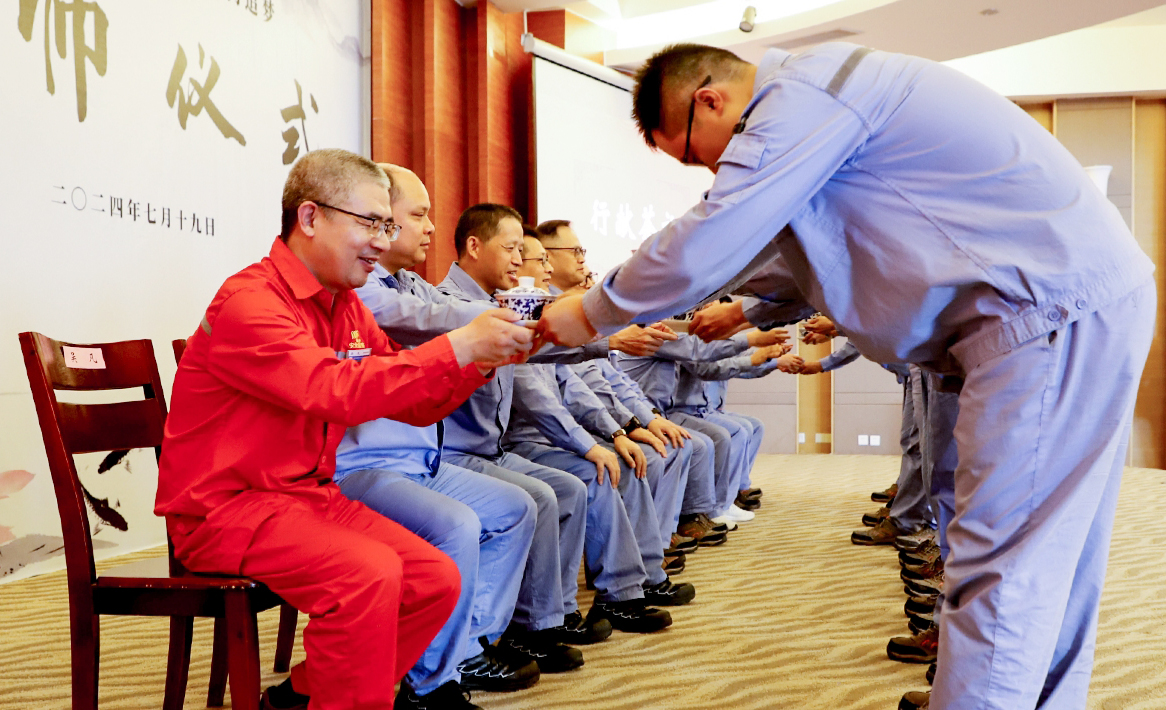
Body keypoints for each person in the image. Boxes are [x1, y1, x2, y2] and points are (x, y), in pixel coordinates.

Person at [535, 42, 1156, 710]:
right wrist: (746, 308)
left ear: (708, 100)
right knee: (1042, 556)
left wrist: (588, 312)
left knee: (1002, 563)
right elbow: (823, 242)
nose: (712, 173)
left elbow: (721, 228)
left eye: (696, 156)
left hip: (1042, 315)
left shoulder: (801, 97)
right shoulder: (828, 93)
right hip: (1056, 308)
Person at [155, 149, 536, 710]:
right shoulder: (250, 301)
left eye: (388, 226)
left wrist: (480, 361)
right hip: (226, 509)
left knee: (434, 579)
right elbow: (335, 390)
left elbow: (412, 403)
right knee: (370, 575)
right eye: (371, 223)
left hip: (307, 496)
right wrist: (457, 345)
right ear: (310, 218)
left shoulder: (345, 305)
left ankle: (305, 693)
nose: (383, 241)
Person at [333, 164, 540, 709]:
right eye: (417, 215)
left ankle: (465, 647)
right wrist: (498, 320)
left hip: (420, 458)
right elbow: (430, 317)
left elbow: (435, 325)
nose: (429, 227)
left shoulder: (408, 284)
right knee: (458, 525)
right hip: (362, 465)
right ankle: (431, 679)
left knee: (516, 508)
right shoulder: (361, 291)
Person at [440, 204, 677, 634]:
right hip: (491, 447)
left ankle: (612, 593)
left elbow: (569, 380)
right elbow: (534, 395)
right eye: (515, 250)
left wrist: (619, 427)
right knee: (582, 479)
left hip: (503, 447)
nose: (523, 262)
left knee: (603, 470)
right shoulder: (451, 306)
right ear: (474, 246)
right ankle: (552, 616)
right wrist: (596, 440)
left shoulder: (504, 305)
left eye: (524, 252)